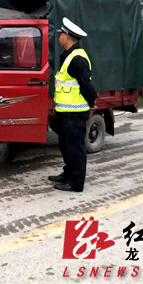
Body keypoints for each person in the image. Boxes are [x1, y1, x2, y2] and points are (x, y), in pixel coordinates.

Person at [49, 17, 96, 192]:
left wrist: (91, 104)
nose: (59, 36)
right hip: (65, 111)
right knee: (66, 146)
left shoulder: (77, 59)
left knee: (75, 147)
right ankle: (67, 174)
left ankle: (76, 183)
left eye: (61, 33)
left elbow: (87, 86)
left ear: (67, 37)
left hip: (75, 112)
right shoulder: (68, 56)